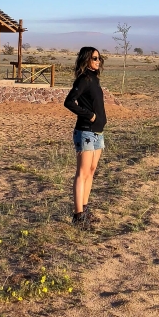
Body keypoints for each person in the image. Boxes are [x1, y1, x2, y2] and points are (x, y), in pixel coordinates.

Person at [64, 47, 106, 227]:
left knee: (91, 171)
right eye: (95, 58)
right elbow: (69, 101)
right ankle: (78, 215)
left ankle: (85, 210)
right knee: (82, 173)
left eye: (99, 58)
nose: (98, 61)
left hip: (98, 133)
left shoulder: (94, 79)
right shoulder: (84, 80)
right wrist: (89, 115)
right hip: (86, 131)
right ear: (86, 60)